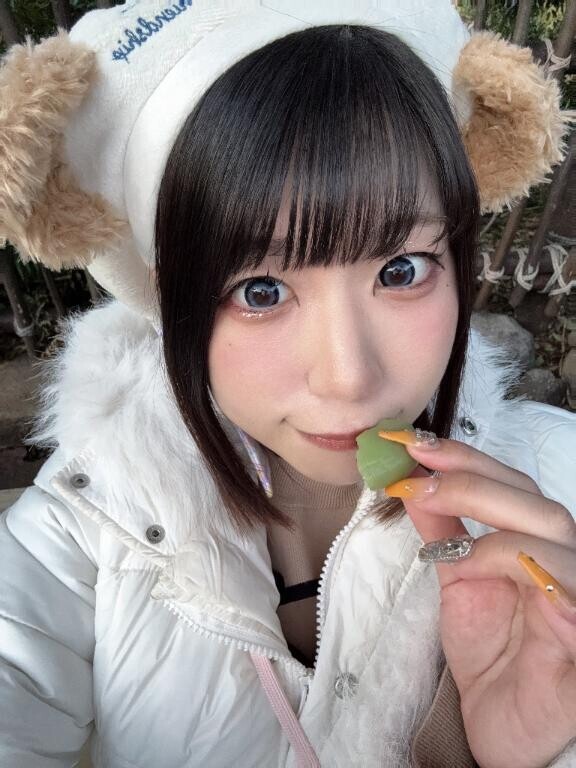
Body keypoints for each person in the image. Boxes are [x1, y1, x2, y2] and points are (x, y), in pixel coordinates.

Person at [0, 1, 575, 766]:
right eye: (261, 290)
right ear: (171, 298)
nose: (349, 377)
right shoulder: (75, 538)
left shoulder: (559, 484)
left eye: (402, 270)